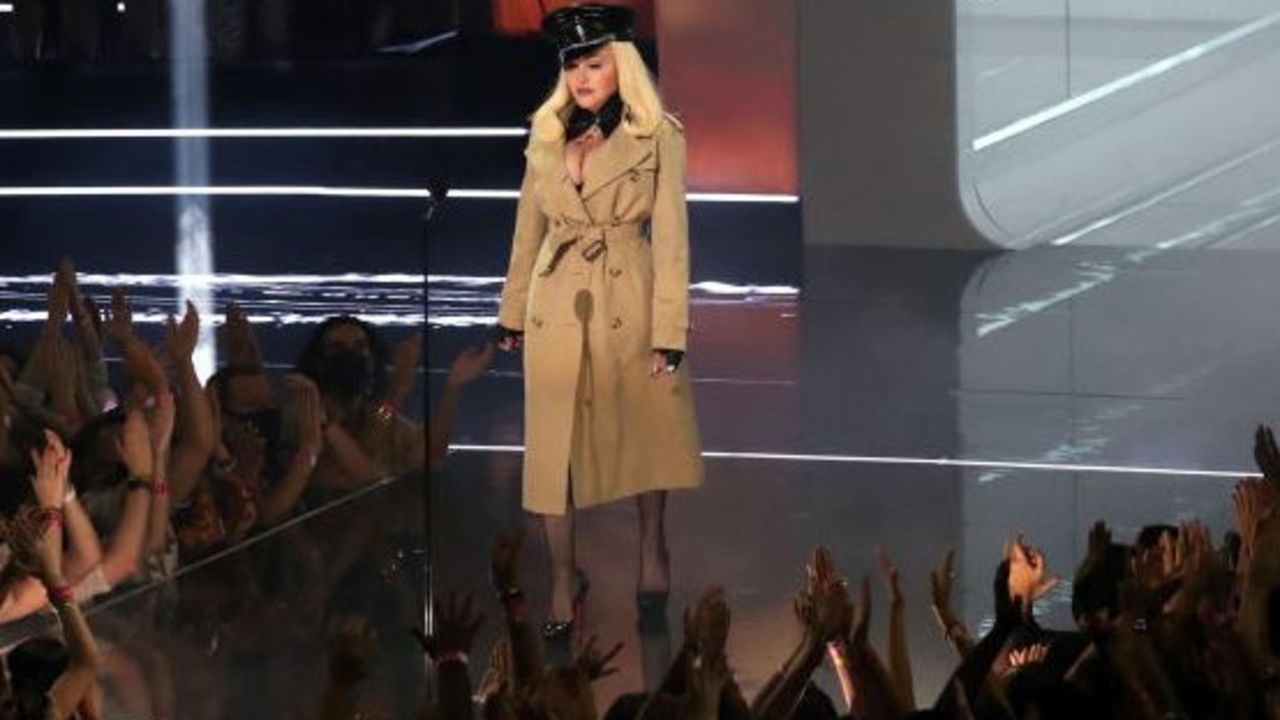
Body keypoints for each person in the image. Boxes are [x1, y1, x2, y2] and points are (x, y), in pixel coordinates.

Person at [494, 2, 703, 657]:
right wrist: (511, 308)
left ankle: (650, 549)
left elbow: (671, 239)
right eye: (573, 65)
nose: (583, 76)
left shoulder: (657, 135)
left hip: (628, 294)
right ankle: (562, 580)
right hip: (556, 301)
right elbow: (528, 226)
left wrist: (670, 329)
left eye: (595, 62)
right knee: (551, 446)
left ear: (622, 65)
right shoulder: (546, 132)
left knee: (643, 424)